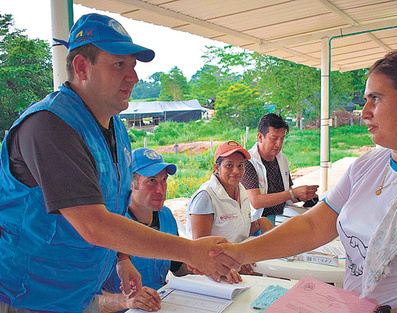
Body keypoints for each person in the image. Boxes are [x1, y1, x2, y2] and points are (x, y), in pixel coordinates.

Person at [0, 13, 238, 313]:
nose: (134, 77)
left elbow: (113, 207)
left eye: (133, 66)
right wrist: (191, 250)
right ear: (81, 67)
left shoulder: (116, 129)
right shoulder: (50, 126)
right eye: (119, 65)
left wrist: (122, 258)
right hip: (26, 294)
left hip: (74, 295)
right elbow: (92, 223)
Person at [215, 49, 397, 312]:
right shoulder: (366, 166)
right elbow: (314, 225)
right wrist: (239, 253)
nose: (364, 112)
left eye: (376, 99)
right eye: (365, 100)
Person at [99, 148, 191, 313]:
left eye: (164, 180)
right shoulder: (109, 224)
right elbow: (85, 301)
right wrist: (124, 301)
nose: (161, 190)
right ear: (130, 183)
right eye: (152, 181)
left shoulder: (166, 216)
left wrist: (211, 265)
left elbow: (179, 269)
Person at [187, 141, 274, 283]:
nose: (236, 171)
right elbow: (201, 249)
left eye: (240, 165)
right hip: (216, 273)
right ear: (217, 167)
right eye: (229, 165)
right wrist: (230, 264)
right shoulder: (206, 196)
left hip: (238, 263)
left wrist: (259, 223)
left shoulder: (241, 190)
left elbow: (238, 231)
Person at [241, 113, 318, 224]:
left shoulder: (281, 158)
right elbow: (256, 201)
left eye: (282, 139)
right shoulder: (248, 162)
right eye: (274, 139)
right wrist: (293, 193)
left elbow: (287, 195)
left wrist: (303, 196)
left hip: (283, 213)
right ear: (260, 137)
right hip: (259, 221)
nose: (279, 144)